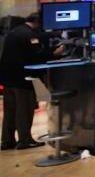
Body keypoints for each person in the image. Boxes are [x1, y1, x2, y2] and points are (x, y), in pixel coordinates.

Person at [0, 13, 64, 150]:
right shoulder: (29, 35)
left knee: (10, 111)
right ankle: (25, 140)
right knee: (24, 110)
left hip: (8, 79)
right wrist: (54, 54)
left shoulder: (14, 32)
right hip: (24, 78)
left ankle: (7, 141)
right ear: (37, 22)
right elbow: (36, 55)